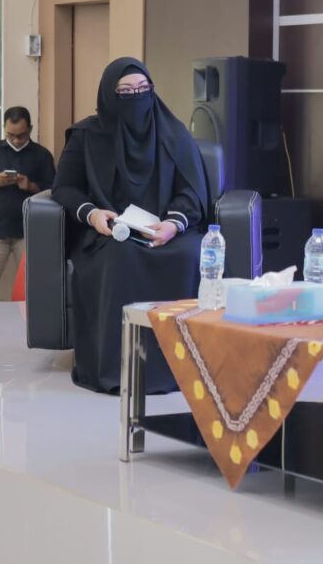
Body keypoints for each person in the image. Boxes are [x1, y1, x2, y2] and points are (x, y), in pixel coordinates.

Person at [52, 57, 208, 393]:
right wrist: (92, 214)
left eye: (143, 89)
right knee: (120, 257)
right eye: (125, 92)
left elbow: (191, 191)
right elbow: (64, 187)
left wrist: (173, 223)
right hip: (110, 231)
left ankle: (181, 367)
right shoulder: (86, 136)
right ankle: (120, 369)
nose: (136, 97)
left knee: (188, 255)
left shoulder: (173, 133)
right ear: (109, 95)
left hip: (165, 229)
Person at [0, 106, 56, 300]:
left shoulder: (42, 155)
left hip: (28, 232)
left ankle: (27, 319)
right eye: (11, 135)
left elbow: (54, 191)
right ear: (4, 128)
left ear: (30, 129)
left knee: (33, 286)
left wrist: (31, 186)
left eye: (22, 135)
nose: (16, 140)